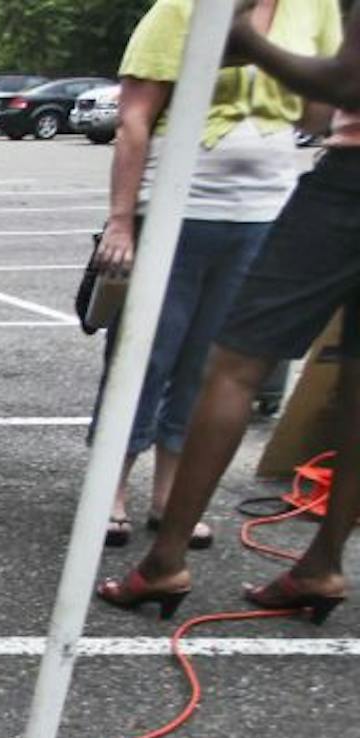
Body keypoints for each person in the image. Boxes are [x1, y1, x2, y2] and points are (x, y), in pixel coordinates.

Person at [101, 0, 360, 624]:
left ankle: (165, 561)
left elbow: (338, 90)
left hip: (336, 187)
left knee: (233, 365)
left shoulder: (302, 9)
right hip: (196, 202)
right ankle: (321, 565)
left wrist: (248, 41)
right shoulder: (184, 8)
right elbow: (137, 112)